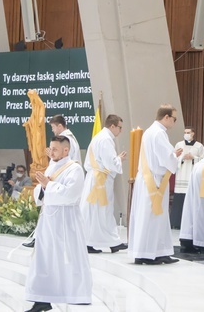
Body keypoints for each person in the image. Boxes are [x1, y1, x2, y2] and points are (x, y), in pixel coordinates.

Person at [25, 135, 92, 312]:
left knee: (69, 256)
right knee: (44, 257)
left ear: (65, 150)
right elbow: (41, 192)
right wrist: (44, 186)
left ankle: (76, 293)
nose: (51, 151)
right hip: (48, 220)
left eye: (55, 149)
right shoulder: (52, 166)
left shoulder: (74, 169)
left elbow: (71, 195)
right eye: (50, 148)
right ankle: (42, 297)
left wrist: (48, 185)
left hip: (66, 220)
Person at [128, 104, 182, 265]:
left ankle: (156, 252)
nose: (174, 122)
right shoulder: (158, 133)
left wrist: (172, 155)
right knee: (151, 217)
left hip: (148, 178)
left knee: (152, 216)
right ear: (166, 117)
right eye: (174, 118)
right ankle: (147, 254)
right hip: (154, 181)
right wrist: (176, 156)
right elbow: (166, 159)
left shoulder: (151, 132)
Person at [81, 114, 128, 253]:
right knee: (101, 211)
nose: (121, 131)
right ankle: (109, 242)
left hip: (95, 178)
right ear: (112, 126)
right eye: (119, 127)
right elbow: (110, 163)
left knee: (95, 212)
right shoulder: (106, 139)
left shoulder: (99, 137)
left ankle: (104, 241)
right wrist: (119, 159)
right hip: (100, 180)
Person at [171, 127, 204, 230]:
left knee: (191, 199)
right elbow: (174, 158)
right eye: (185, 132)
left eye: (188, 132)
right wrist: (182, 158)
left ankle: (192, 223)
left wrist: (193, 158)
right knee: (180, 200)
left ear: (193, 133)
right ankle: (177, 223)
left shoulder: (199, 146)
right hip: (181, 175)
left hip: (192, 175)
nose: (186, 134)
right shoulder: (179, 145)